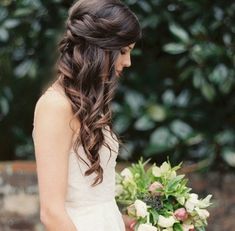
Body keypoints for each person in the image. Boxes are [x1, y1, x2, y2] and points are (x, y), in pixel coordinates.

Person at [32, 0, 141, 230]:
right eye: (122, 51)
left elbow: (93, 200)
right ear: (99, 48)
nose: (128, 62)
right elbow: (51, 213)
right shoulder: (54, 107)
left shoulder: (86, 103)